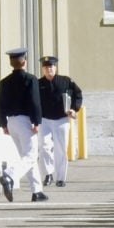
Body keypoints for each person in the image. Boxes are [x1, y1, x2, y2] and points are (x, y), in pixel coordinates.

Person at [0, 48, 48, 202]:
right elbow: (34, 102)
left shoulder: (4, 82)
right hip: (25, 121)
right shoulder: (30, 79)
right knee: (31, 156)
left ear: (11, 63)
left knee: (26, 156)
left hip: (11, 122)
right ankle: (10, 176)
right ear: (24, 62)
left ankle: (37, 190)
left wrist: (3, 124)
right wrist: (36, 121)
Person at [38, 56, 83, 188]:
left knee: (61, 149)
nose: (49, 69)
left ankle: (61, 178)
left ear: (55, 67)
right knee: (44, 147)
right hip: (44, 119)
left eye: (51, 66)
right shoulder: (38, 83)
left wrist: (74, 109)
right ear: (43, 69)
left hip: (61, 119)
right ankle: (48, 174)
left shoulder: (66, 81)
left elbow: (78, 94)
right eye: (46, 67)